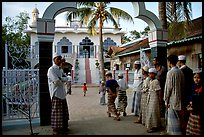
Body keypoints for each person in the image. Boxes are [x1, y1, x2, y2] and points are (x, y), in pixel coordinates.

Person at [47, 53, 70, 135]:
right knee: (57, 112)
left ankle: (63, 127)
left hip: (62, 93)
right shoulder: (51, 70)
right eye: (58, 59)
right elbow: (56, 82)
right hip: (56, 93)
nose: (59, 61)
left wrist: (62, 79)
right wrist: (62, 79)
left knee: (63, 112)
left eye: (60, 59)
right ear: (54, 60)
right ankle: (56, 129)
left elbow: (67, 78)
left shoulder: (60, 69)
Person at [163, 55, 185, 135]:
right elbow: (183, 86)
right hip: (179, 99)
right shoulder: (180, 72)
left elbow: (168, 88)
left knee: (173, 121)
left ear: (169, 62)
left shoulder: (170, 73)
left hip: (172, 100)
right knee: (178, 119)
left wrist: (166, 100)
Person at [177, 55, 193, 135]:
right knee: (188, 112)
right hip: (189, 93)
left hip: (182, 94)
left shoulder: (180, 71)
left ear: (179, 62)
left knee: (183, 113)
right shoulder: (190, 70)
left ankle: (183, 129)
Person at [186, 68, 203, 135]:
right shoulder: (193, 87)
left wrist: (193, 107)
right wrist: (189, 104)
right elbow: (191, 98)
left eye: (198, 77)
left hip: (199, 113)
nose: (196, 79)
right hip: (193, 112)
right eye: (194, 77)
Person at [145, 68, 162, 133]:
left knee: (154, 112)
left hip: (155, 98)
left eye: (151, 74)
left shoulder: (156, 81)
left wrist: (160, 100)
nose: (150, 75)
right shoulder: (150, 81)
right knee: (150, 112)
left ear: (154, 74)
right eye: (149, 74)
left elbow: (159, 91)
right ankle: (153, 126)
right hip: (150, 97)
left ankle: (155, 126)